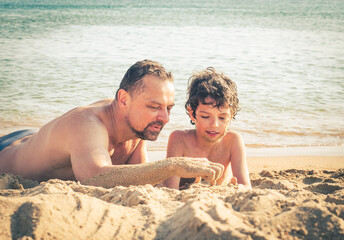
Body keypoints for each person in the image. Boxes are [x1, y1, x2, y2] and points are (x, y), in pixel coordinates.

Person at [0, 60, 224, 188]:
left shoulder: (138, 126)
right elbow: (95, 177)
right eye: (154, 107)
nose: (165, 118)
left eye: (168, 108)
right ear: (124, 99)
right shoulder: (87, 124)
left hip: (35, 137)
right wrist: (172, 165)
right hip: (8, 148)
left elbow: (139, 178)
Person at [164, 67, 251, 189]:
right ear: (192, 114)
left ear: (231, 117)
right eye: (205, 116)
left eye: (222, 118)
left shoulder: (233, 141)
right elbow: (170, 188)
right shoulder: (179, 139)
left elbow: (245, 186)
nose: (214, 124)